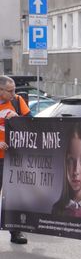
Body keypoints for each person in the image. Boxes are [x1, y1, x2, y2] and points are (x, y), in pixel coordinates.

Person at [0, 75, 31, 244]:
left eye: (14, 90)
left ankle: (16, 232)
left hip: (14, 158)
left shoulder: (18, 101)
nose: (13, 94)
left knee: (14, 195)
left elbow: (31, 123)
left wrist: (18, 120)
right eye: (10, 91)